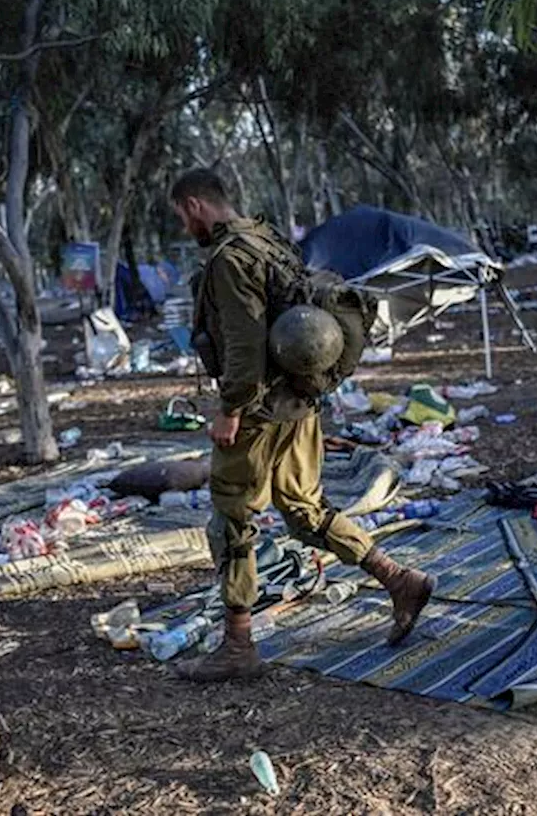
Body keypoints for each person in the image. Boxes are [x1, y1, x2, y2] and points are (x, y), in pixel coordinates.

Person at [169, 168, 435, 682]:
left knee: (232, 520)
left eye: (182, 216)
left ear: (196, 205)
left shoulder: (230, 258)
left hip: (258, 412)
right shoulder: (268, 239)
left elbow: (244, 344)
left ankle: (238, 646)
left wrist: (230, 409)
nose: (185, 227)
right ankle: (399, 580)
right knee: (305, 510)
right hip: (297, 402)